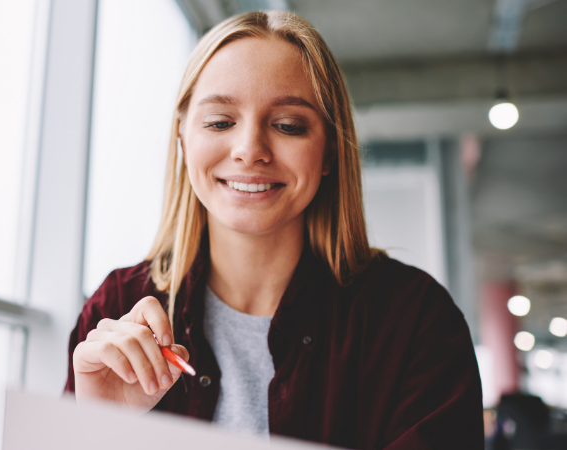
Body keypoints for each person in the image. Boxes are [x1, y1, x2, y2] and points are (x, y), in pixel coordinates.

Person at [65, 10, 483, 449]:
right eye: (219, 122)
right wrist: (100, 431)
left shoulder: (415, 323)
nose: (249, 150)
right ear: (183, 138)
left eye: (288, 126)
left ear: (328, 153)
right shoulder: (116, 308)